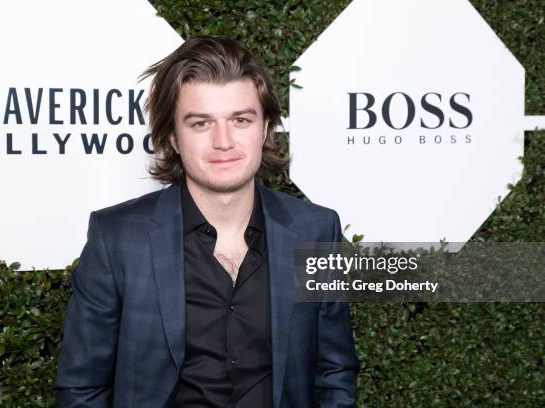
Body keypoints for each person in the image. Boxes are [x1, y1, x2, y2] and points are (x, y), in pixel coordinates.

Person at [53, 35, 359, 408]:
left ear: (265, 129)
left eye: (241, 120)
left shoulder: (316, 231)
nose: (224, 141)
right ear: (173, 138)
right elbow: (81, 389)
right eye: (201, 123)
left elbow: (335, 371)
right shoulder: (117, 239)